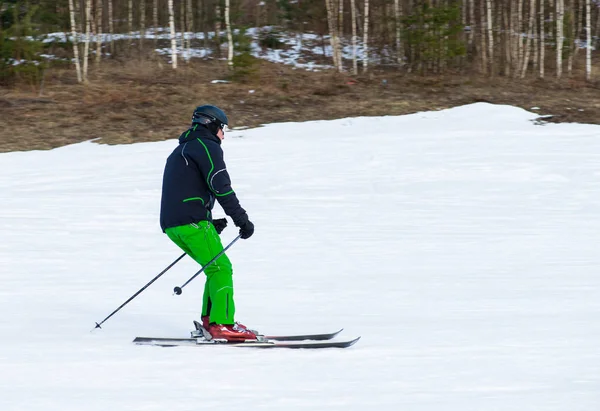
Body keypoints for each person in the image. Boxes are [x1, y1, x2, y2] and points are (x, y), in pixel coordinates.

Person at [159, 105, 257, 342]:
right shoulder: (207, 147)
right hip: (192, 223)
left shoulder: (181, 149)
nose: (223, 135)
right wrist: (241, 219)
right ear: (212, 125)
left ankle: (210, 320)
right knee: (221, 268)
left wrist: (210, 221)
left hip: (173, 225)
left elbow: (182, 191)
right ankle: (222, 324)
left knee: (213, 267)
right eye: (223, 129)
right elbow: (220, 185)